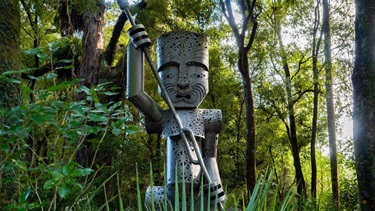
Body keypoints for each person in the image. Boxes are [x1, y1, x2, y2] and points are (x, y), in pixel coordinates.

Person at [127, 26, 225, 210]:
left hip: (198, 194)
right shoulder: (163, 116)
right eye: (170, 72)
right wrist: (134, 47)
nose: (182, 81)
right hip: (168, 196)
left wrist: (215, 185)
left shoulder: (207, 117)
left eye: (195, 72)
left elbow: (209, 157)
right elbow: (136, 94)